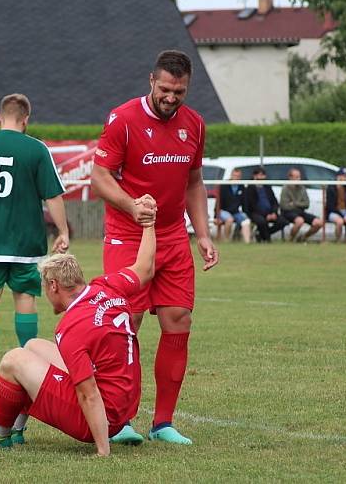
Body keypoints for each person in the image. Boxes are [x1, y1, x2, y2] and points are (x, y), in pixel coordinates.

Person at [0, 196, 157, 456]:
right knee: (32, 345)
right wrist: (150, 224)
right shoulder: (107, 286)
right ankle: (14, 427)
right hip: (121, 405)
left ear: (54, 286)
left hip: (101, 417)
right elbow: (145, 268)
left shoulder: (71, 327)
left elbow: (88, 393)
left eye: (44, 287)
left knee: (14, 360)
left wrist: (103, 450)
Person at [90, 50, 218, 445]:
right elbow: (99, 177)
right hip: (129, 237)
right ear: (151, 81)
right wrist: (131, 206)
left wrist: (203, 233)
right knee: (127, 324)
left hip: (174, 236)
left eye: (179, 91)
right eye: (165, 89)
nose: (171, 97)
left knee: (179, 320)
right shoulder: (123, 119)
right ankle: (121, 419)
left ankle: (163, 424)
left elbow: (194, 181)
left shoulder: (194, 124)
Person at [0, 93, 70, 374]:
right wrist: (63, 230)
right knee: (24, 296)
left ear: (0, 118)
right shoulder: (36, 149)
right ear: (26, 120)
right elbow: (53, 195)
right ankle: (29, 353)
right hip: (26, 240)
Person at [244, 166, 288, 242]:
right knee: (261, 221)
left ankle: (261, 235)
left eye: (263, 175)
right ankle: (267, 239)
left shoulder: (267, 186)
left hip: (270, 212)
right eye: (259, 175)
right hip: (256, 213)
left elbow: (274, 202)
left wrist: (273, 212)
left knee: (283, 221)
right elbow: (252, 205)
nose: (261, 177)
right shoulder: (250, 188)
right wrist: (265, 215)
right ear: (254, 176)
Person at [280, 167, 323, 241]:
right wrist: (299, 204)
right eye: (296, 177)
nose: (299, 179)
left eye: (299, 177)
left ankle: (303, 237)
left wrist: (294, 203)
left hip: (300, 212)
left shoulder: (302, 188)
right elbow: (284, 206)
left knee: (319, 223)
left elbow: (306, 204)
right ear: (290, 178)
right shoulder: (285, 188)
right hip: (288, 213)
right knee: (300, 221)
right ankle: (290, 239)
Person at [216, 168, 251, 243]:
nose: (236, 178)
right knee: (229, 219)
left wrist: (246, 214)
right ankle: (226, 240)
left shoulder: (242, 187)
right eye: (235, 175)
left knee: (246, 221)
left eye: (238, 176)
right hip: (223, 211)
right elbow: (218, 202)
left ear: (240, 177)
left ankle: (247, 243)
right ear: (231, 175)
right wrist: (216, 216)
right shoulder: (224, 186)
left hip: (236, 212)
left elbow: (244, 203)